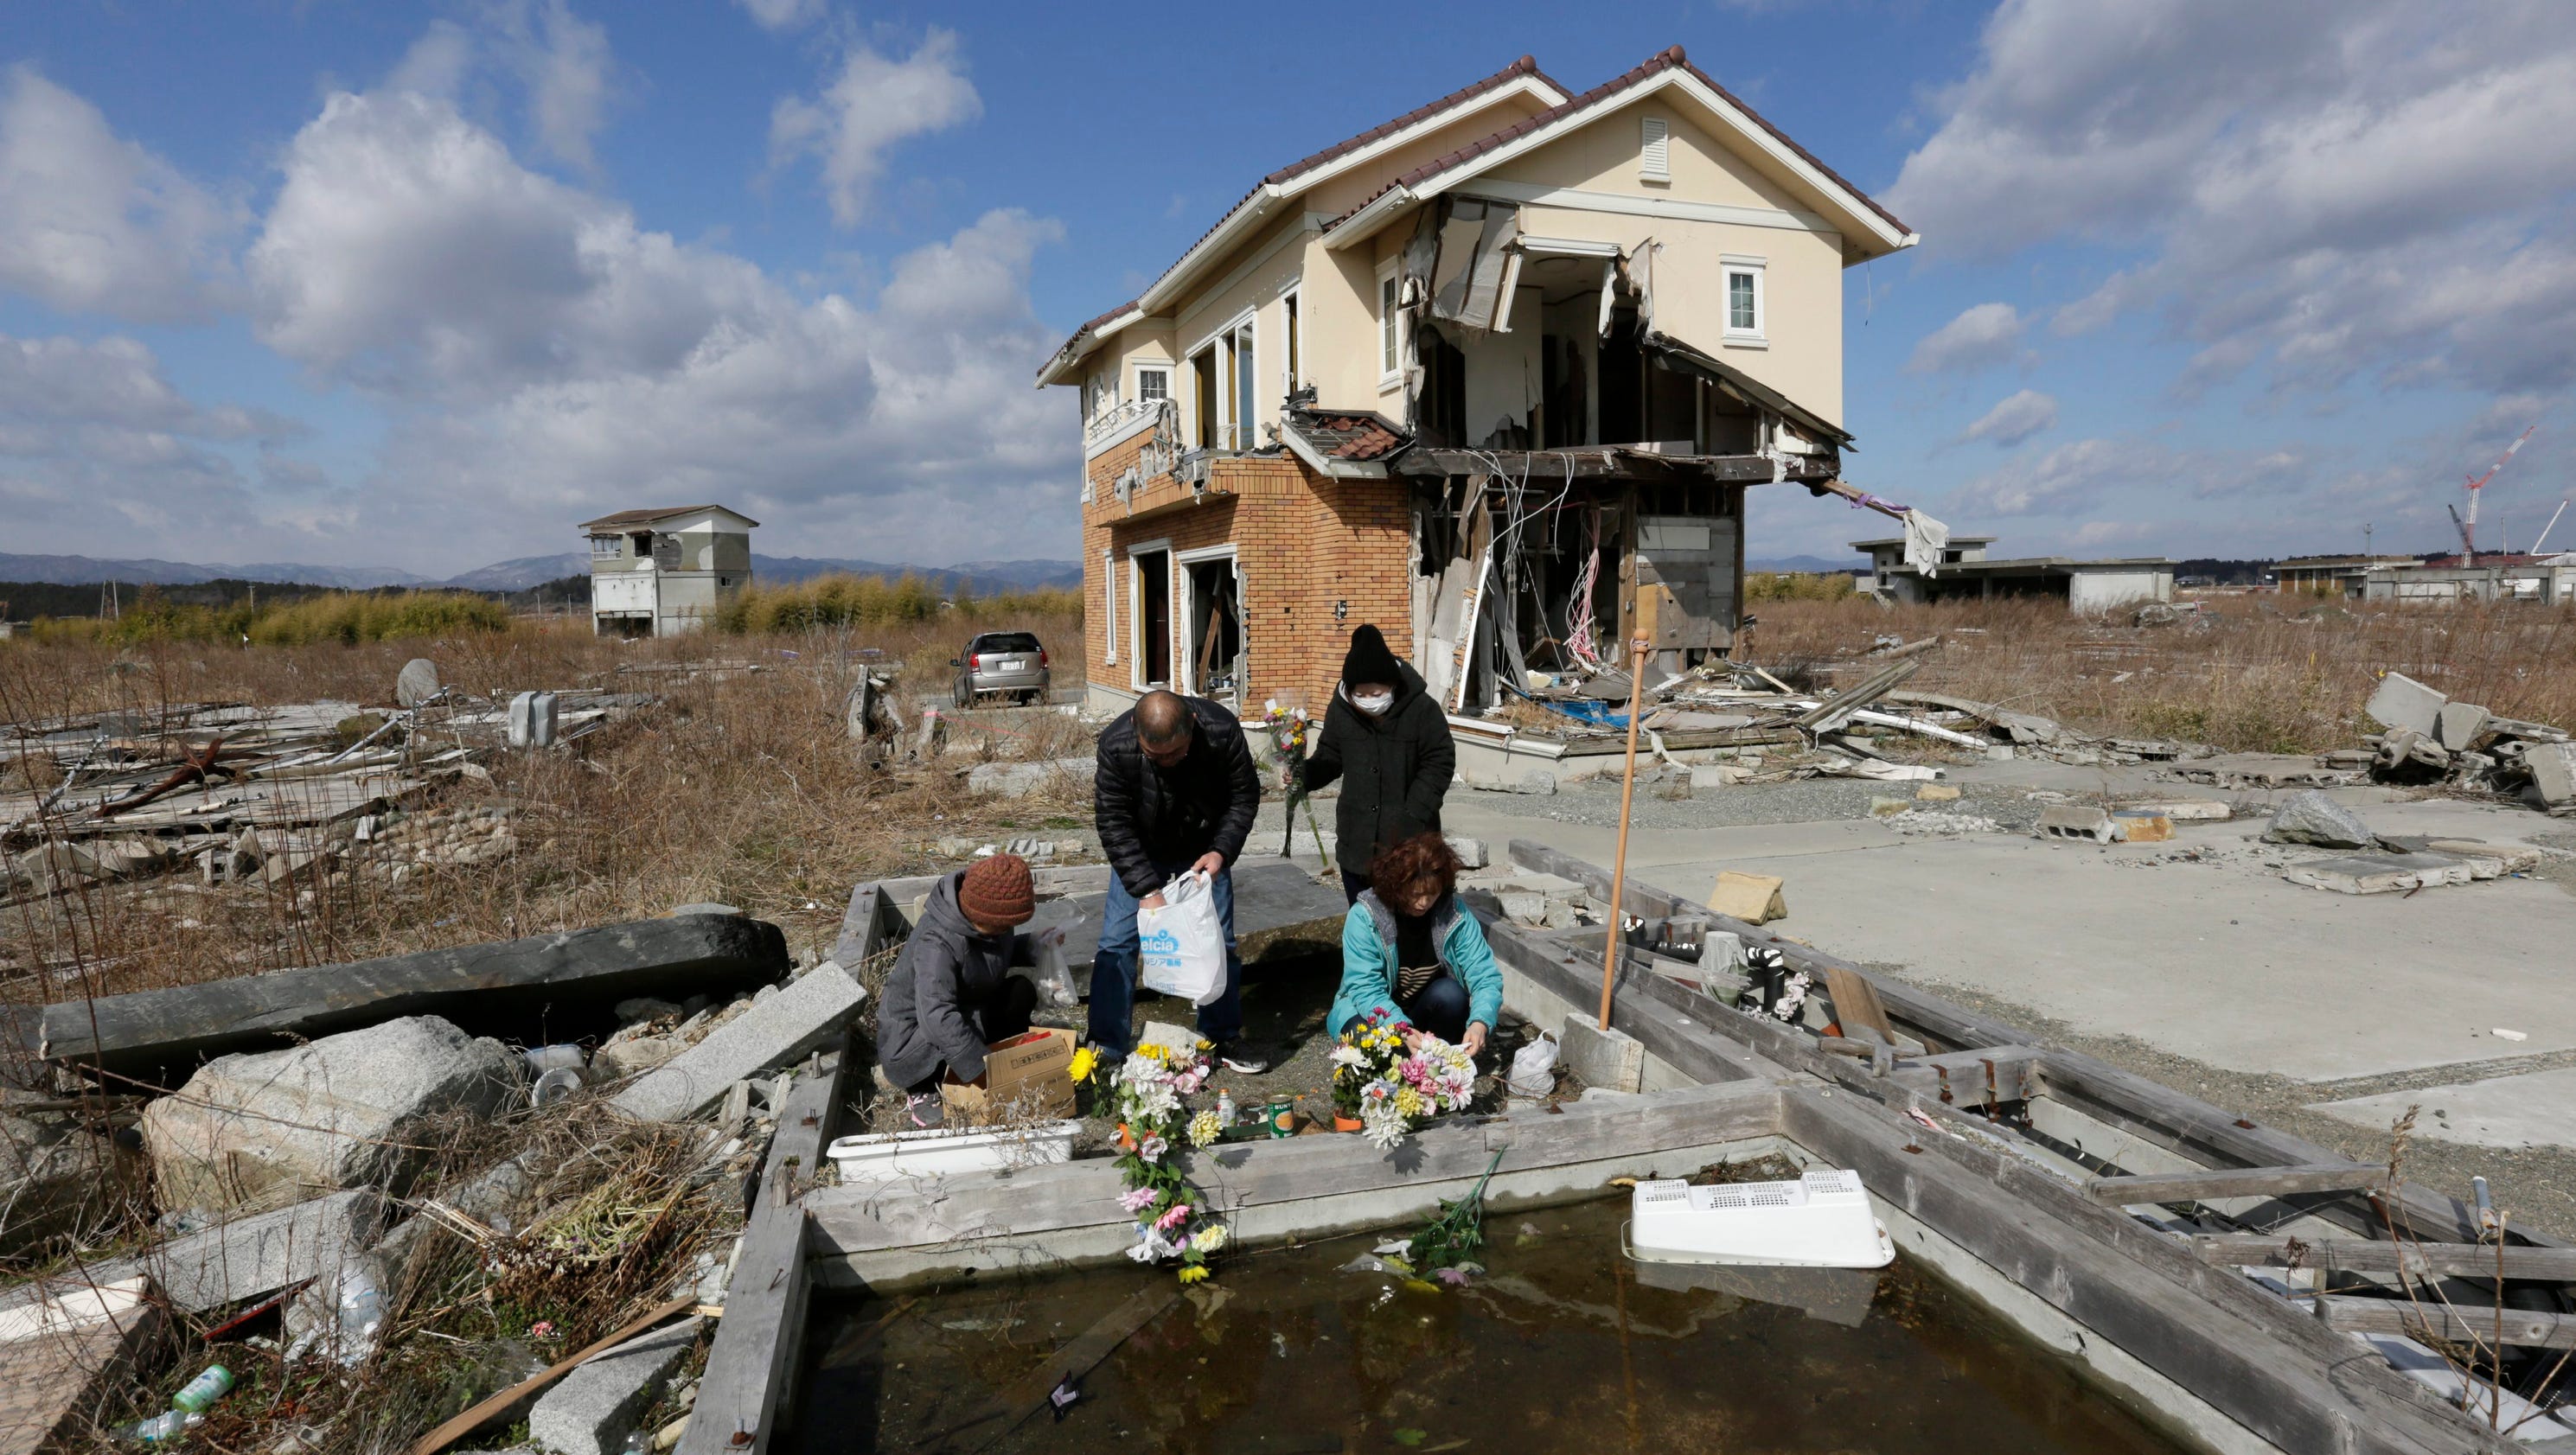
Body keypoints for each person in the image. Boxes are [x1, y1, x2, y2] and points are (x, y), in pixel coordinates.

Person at [1090, 688, 1271, 1073]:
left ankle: (1221, 1035)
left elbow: (1244, 795)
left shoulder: (1221, 730)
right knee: (1116, 944)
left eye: (1176, 752)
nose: (1167, 762)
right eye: (1155, 757)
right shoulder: (1115, 744)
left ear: (1191, 724)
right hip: (1140, 849)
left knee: (1219, 941)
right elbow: (1113, 822)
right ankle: (1106, 1045)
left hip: (1204, 849)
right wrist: (1146, 889)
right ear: (1137, 732)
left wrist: (1221, 851)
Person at [875, 852, 1045, 1128]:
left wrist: (1034, 945)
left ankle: (996, 1055)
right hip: (912, 1038)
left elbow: (989, 954)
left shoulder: (990, 921)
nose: (1005, 931)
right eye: (1000, 926)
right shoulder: (937, 942)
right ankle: (923, 1089)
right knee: (954, 1030)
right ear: (981, 915)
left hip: (966, 1006)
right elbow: (936, 1017)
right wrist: (982, 1071)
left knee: (1020, 991)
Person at [1298, 624, 1456, 904]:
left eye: (1377, 693)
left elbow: (1439, 761)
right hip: (1356, 844)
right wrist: (1303, 776)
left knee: (1411, 924)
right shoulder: (1341, 709)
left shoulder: (1421, 709)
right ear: (1350, 691)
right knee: (1364, 926)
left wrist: (1414, 813)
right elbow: (1330, 757)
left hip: (1411, 844)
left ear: (1392, 686)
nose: (1369, 701)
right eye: (1362, 695)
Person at [1330, 832, 1502, 1055]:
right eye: (1415, 894)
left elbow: (1485, 973)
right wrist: (1400, 1028)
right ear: (1395, 886)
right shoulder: (1365, 917)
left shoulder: (1454, 914)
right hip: (1372, 1011)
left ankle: (1436, 1061)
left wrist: (1480, 1022)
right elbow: (1365, 987)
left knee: (1451, 994)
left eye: (1432, 894)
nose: (1423, 903)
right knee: (1363, 1041)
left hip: (1424, 1008)